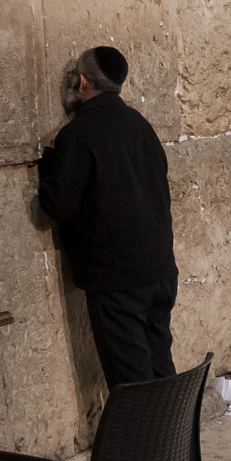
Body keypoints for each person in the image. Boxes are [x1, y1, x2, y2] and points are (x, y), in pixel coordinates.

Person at [38, 46, 177, 387]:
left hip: (117, 277)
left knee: (132, 382)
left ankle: (142, 441)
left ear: (82, 82)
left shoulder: (78, 133)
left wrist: (48, 164)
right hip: (160, 269)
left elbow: (59, 205)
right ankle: (174, 439)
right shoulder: (140, 125)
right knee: (160, 366)